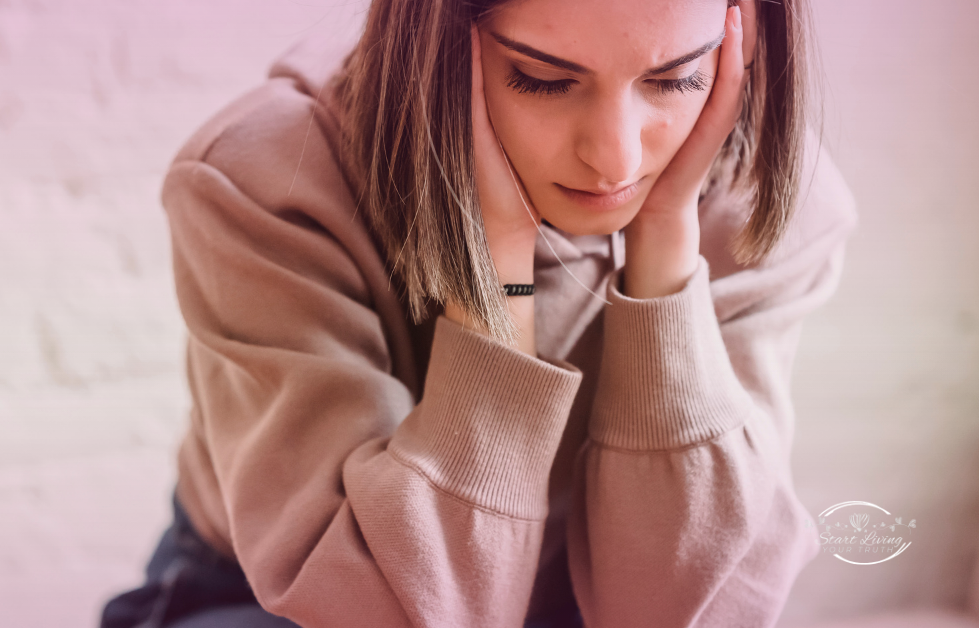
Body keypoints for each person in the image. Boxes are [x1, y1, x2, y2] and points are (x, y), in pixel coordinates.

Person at [100, 0, 858, 626]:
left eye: (675, 79)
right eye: (542, 80)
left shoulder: (771, 206)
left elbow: (676, 611)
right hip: (278, 599)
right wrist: (494, 274)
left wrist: (663, 262)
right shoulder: (266, 183)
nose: (617, 160)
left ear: (742, 35)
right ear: (432, 39)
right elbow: (395, 609)